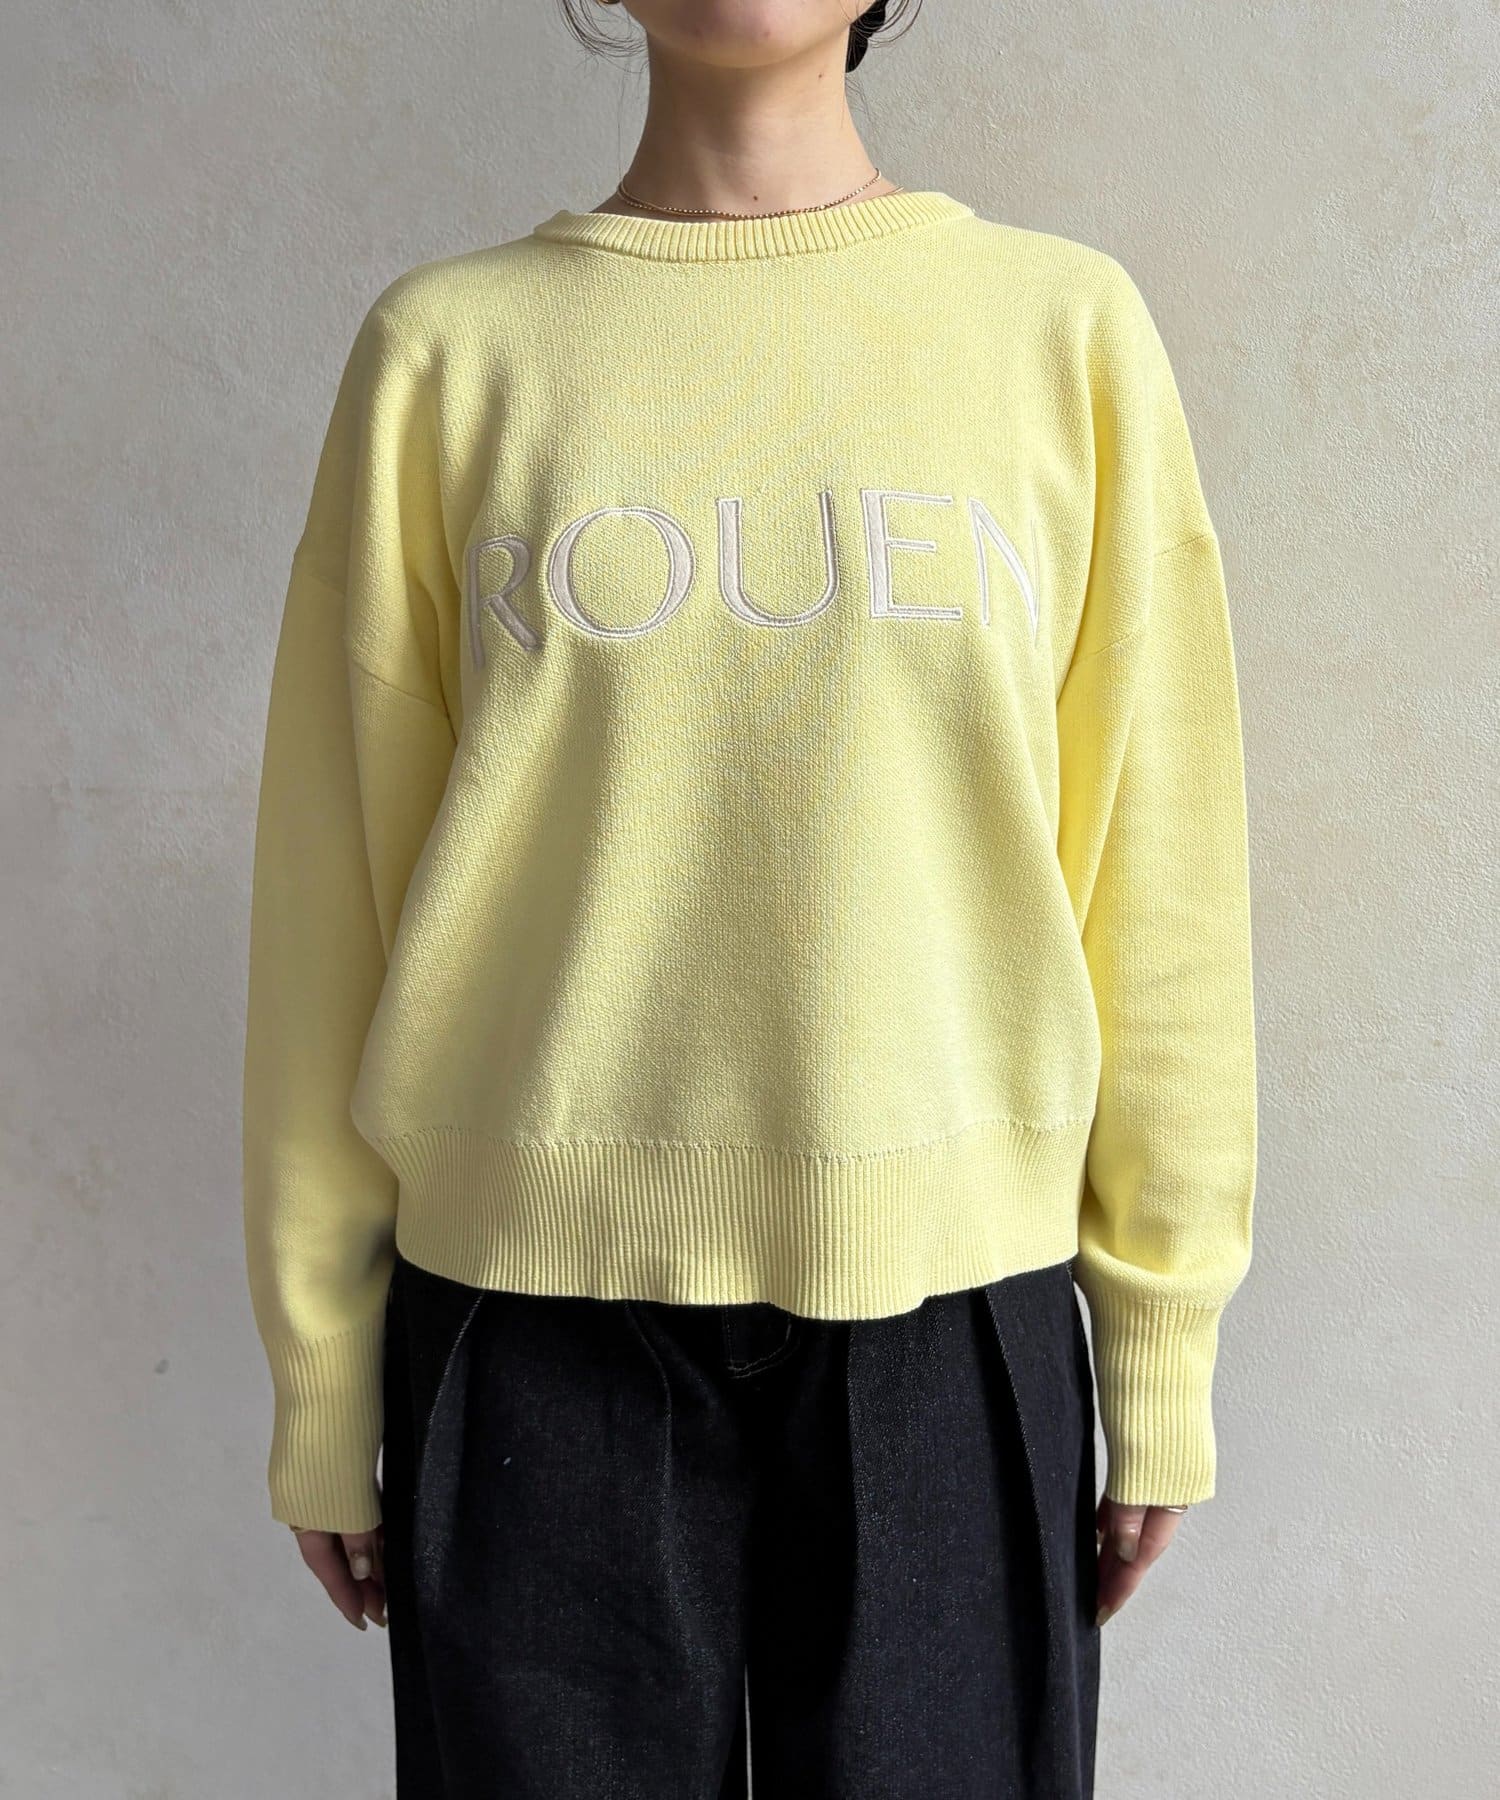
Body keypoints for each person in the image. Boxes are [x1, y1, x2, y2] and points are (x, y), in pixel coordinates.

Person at [240, 2, 1258, 1793]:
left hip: (954, 1312)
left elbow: (1159, 865)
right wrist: (323, 1364)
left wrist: (1161, 1327)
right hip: (525, 1316)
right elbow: (335, 895)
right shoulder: (448, 354)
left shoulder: (1060, 332)